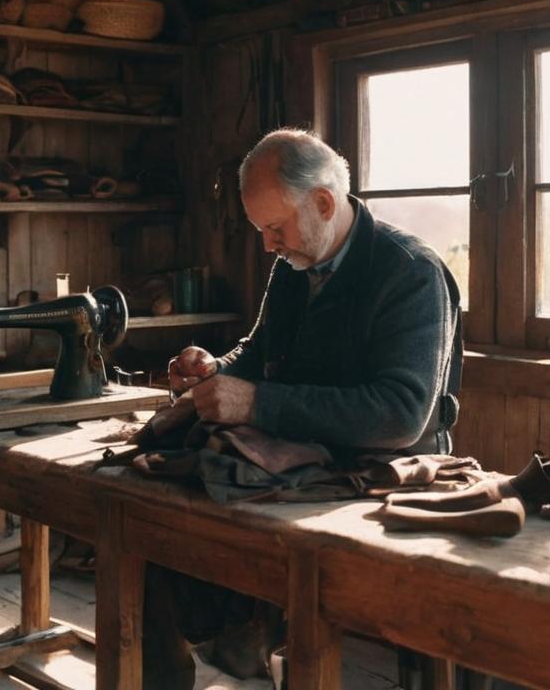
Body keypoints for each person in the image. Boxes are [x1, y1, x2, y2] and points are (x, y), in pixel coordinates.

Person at [144, 127, 464, 687]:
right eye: (261, 230)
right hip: (304, 456)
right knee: (161, 519)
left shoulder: (410, 271)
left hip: (386, 472)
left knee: (220, 526)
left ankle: (246, 641)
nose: (268, 244)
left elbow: (401, 415)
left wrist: (256, 403)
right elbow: (263, 351)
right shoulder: (295, 265)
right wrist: (217, 370)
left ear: (322, 203)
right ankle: (220, 648)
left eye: (275, 228)